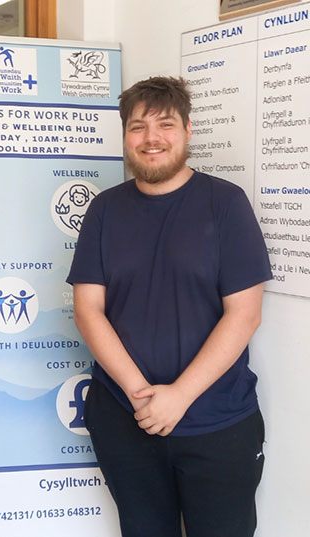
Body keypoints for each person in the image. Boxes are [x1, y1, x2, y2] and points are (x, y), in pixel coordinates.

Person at [67, 76, 271, 537]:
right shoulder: (104, 210)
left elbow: (245, 314)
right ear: (124, 136)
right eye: (138, 127)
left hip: (218, 421)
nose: (151, 138)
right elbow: (88, 310)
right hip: (126, 418)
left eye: (165, 124)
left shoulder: (225, 204)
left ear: (187, 130)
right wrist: (144, 396)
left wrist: (178, 396)